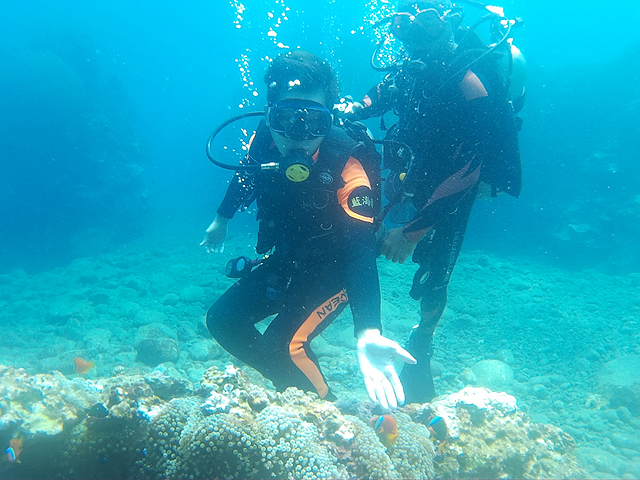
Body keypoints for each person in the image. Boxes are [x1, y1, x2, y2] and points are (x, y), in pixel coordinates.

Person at [201, 50, 416, 410]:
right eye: (285, 118)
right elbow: (246, 174)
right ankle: (292, 388)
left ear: (330, 120)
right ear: (268, 116)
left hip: (337, 270)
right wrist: (222, 218)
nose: (298, 135)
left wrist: (368, 330)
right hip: (290, 258)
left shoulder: (346, 165)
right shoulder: (264, 140)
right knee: (223, 321)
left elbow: (360, 251)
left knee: (283, 346)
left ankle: (328, 412)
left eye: (315, 121)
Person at [345, 1, 522, 403]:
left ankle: (422, 340)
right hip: (415, 171)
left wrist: (410, 233)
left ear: (450, 23)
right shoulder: (407, 73)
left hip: (453, 184)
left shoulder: (468, 79)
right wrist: (353, 108)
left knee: (436, 275)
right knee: (366, 233)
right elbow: (379, 95)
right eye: (403, 25)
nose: (414, 36)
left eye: (427, 23)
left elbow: (470, 171)